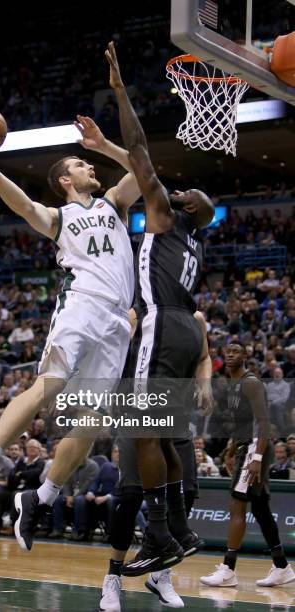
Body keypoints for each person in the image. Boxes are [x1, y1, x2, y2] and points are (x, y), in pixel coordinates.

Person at [0, 115, 141, 552]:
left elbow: (142, 169)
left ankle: (40, 499)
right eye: (80, 163)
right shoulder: (59, 217)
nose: (89, 167)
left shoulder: (114, 203)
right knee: (48, 387)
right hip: (81, 306)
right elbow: (20, 204)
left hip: (117, 322)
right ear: (63, 179)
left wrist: (103, 145)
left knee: (92, 423)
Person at [104, 41, 214, 577]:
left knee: (143, 431)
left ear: (185, 206)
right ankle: (178, 528)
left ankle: (159, 537)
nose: (175, 189)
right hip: (186, 331)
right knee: (165, 433)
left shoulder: (167, 217)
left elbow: (140, 146)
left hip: (162, 324)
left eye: (184, 190)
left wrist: (121, 90)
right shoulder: (196, 240)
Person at [99, 310, 212, 611]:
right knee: (132, 496)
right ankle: (112, 577)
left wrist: (205, 383)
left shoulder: (195, 318)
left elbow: (203, 357)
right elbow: (115, 363)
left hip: (176, 415)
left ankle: (160, 573)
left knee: (185, 492)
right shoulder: (137, 315)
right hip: (138, 413)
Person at [200, 342, 295, 588]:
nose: (230, 354)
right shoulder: (232, 385)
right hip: (246, 444)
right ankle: (282, 566)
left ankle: (228, 570)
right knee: (261, 509)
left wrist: (257, 458)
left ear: (246, 354)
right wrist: (233, 445)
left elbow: (264, 422)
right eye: (227, 351)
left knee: (237, 506)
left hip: (256, 446)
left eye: (236, 350)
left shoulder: (251, 382)